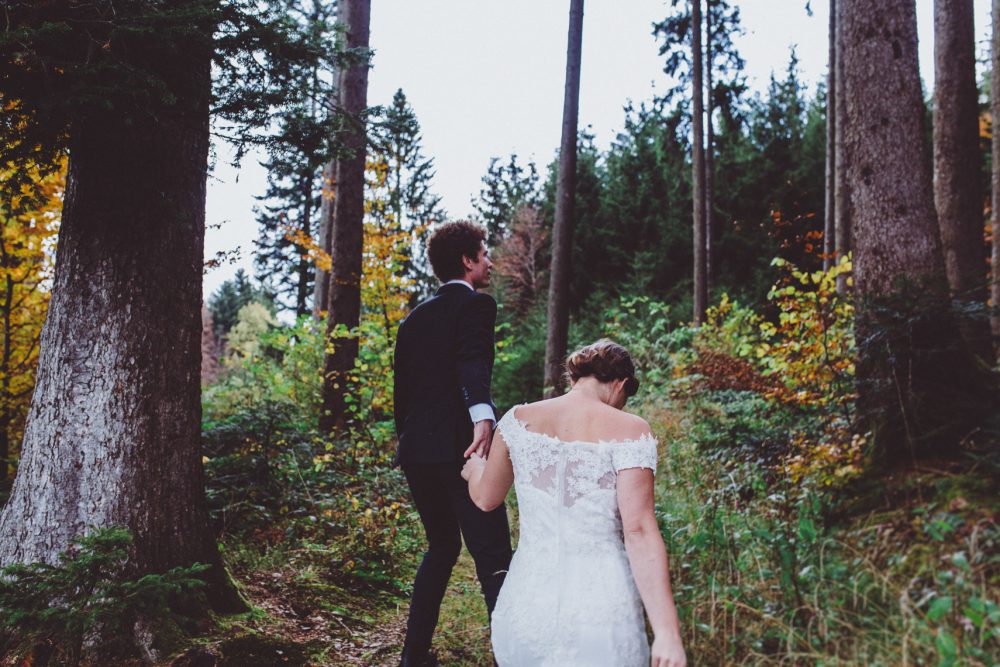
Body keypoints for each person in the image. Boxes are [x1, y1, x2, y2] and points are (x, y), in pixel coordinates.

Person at [462, 340, 687, 667]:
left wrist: (475, 471)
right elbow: (638, 531)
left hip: (525, 608)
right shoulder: (631, 430)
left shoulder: (517, 420)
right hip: (600, 615)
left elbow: (485, 498)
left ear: (574, 379)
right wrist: (668, 632)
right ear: (621, 384)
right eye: (626, 397)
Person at [393, 220, 513, 667]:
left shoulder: (413, 319)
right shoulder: (477, 306)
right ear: (467, 260)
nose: (490, 260)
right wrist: (482, 417)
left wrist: (405, 441)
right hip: (463, 446)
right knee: (493, 553)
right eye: (484, 252)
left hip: (416, 451)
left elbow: (401, 393)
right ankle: (511, 655)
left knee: (441, 547)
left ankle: (413, 658)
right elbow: (472, 361)